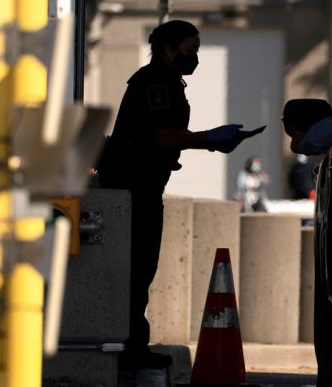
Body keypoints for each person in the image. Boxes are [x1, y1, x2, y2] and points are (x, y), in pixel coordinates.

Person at [94, 20, 263, 370]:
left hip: (144, 184)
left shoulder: (166, 81)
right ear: (168, 50)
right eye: (190, 50)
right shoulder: (155, 83)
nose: (196, 58)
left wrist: (209, 142)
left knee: (142, 266)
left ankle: (132, 345)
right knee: (137, 265)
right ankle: (129, 348)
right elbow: (163, 137)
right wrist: (208, 139)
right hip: (133, 187)